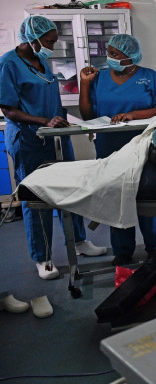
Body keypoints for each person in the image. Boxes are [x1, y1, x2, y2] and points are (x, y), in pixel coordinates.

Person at [0, 15, 106, 280]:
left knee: (71, 187)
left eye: (55, 41)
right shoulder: (8, 64)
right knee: (36, 196)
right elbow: (8, 109)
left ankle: (79, 242)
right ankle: (44, 257)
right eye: (48, 41)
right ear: (32, 39)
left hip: (58, 135)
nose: (52, 46)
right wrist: (43, 121)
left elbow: (52, 99)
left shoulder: (42, 61)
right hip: (29, 140)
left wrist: (71, 124)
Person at [79, 33, 156, 266]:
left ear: (130, 56)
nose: (108, 57)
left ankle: (154, 246)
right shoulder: (99, 78)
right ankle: (122, 249)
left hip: (142, 145)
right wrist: (85, 84)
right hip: (110, 146)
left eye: (114, 54)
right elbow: (88, 115)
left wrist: (132, 115)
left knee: (148, 195)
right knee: (115, 196)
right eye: (108, 52)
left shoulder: (148, 77)